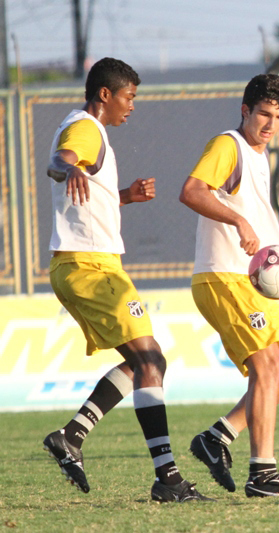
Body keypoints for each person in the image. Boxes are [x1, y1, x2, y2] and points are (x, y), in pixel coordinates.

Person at [42, 57, 210, 503]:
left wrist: (123, 197)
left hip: (89, 265)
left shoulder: (85, 130)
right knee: (150, 361)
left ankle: (71, 436)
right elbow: (59, 162)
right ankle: (168, 480)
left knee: (143, 363)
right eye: (128, 97)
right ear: (105, 94)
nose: (132, 106)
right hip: (90, 267)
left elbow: (83, 198)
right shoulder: (86, 129)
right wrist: (69, 167)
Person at [179, 73, 279, 498]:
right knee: (267, 364)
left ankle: (217, 436)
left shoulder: (259, 154)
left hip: (251, 281)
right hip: (223, 275)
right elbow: (192, 191)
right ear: (245, 110)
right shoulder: (228, 145)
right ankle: (263, 474)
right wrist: (238, 221)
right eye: (264, 114)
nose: (271, 125)